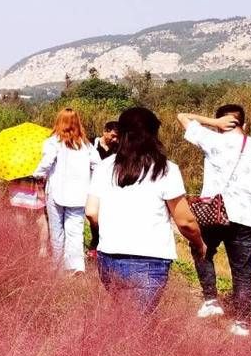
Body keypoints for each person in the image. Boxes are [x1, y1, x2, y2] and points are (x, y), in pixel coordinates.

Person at [86, 108, 207, 313]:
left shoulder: (105, 167)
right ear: (153, 134)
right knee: (137, 326)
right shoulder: (165, 169)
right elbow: (185, 221)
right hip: (149, 259)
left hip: (109, 257)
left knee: (121, 317)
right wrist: (199, 244)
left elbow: (91, 212)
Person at [177, 105, 251, 336]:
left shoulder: (213, 140)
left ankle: (211, 301)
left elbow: (182, 117)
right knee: (243, 271)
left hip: (213, 213)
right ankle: (242, 323)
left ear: (221, 121)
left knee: (202, 251)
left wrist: (213, 124)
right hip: (246, 218)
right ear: (245, 123)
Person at [33, 108, 100, 274]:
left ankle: (58, 266)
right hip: (79, 195)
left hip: (56, 193)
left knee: (57, 230)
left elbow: (47, 162)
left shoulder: (53, 142)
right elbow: (98, 165)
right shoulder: (85, 144)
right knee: (75, 231)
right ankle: (76, 266)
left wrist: (37, 174)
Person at [87, 120, 120, 256]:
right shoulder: (90, 144)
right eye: (112, 135)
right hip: (92, 186)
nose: (115, 139)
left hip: (111, 187)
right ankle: (95, 244)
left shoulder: (119, 148)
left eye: (117, 137)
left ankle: (105, 245)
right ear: (104, 132)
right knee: (93, 216)